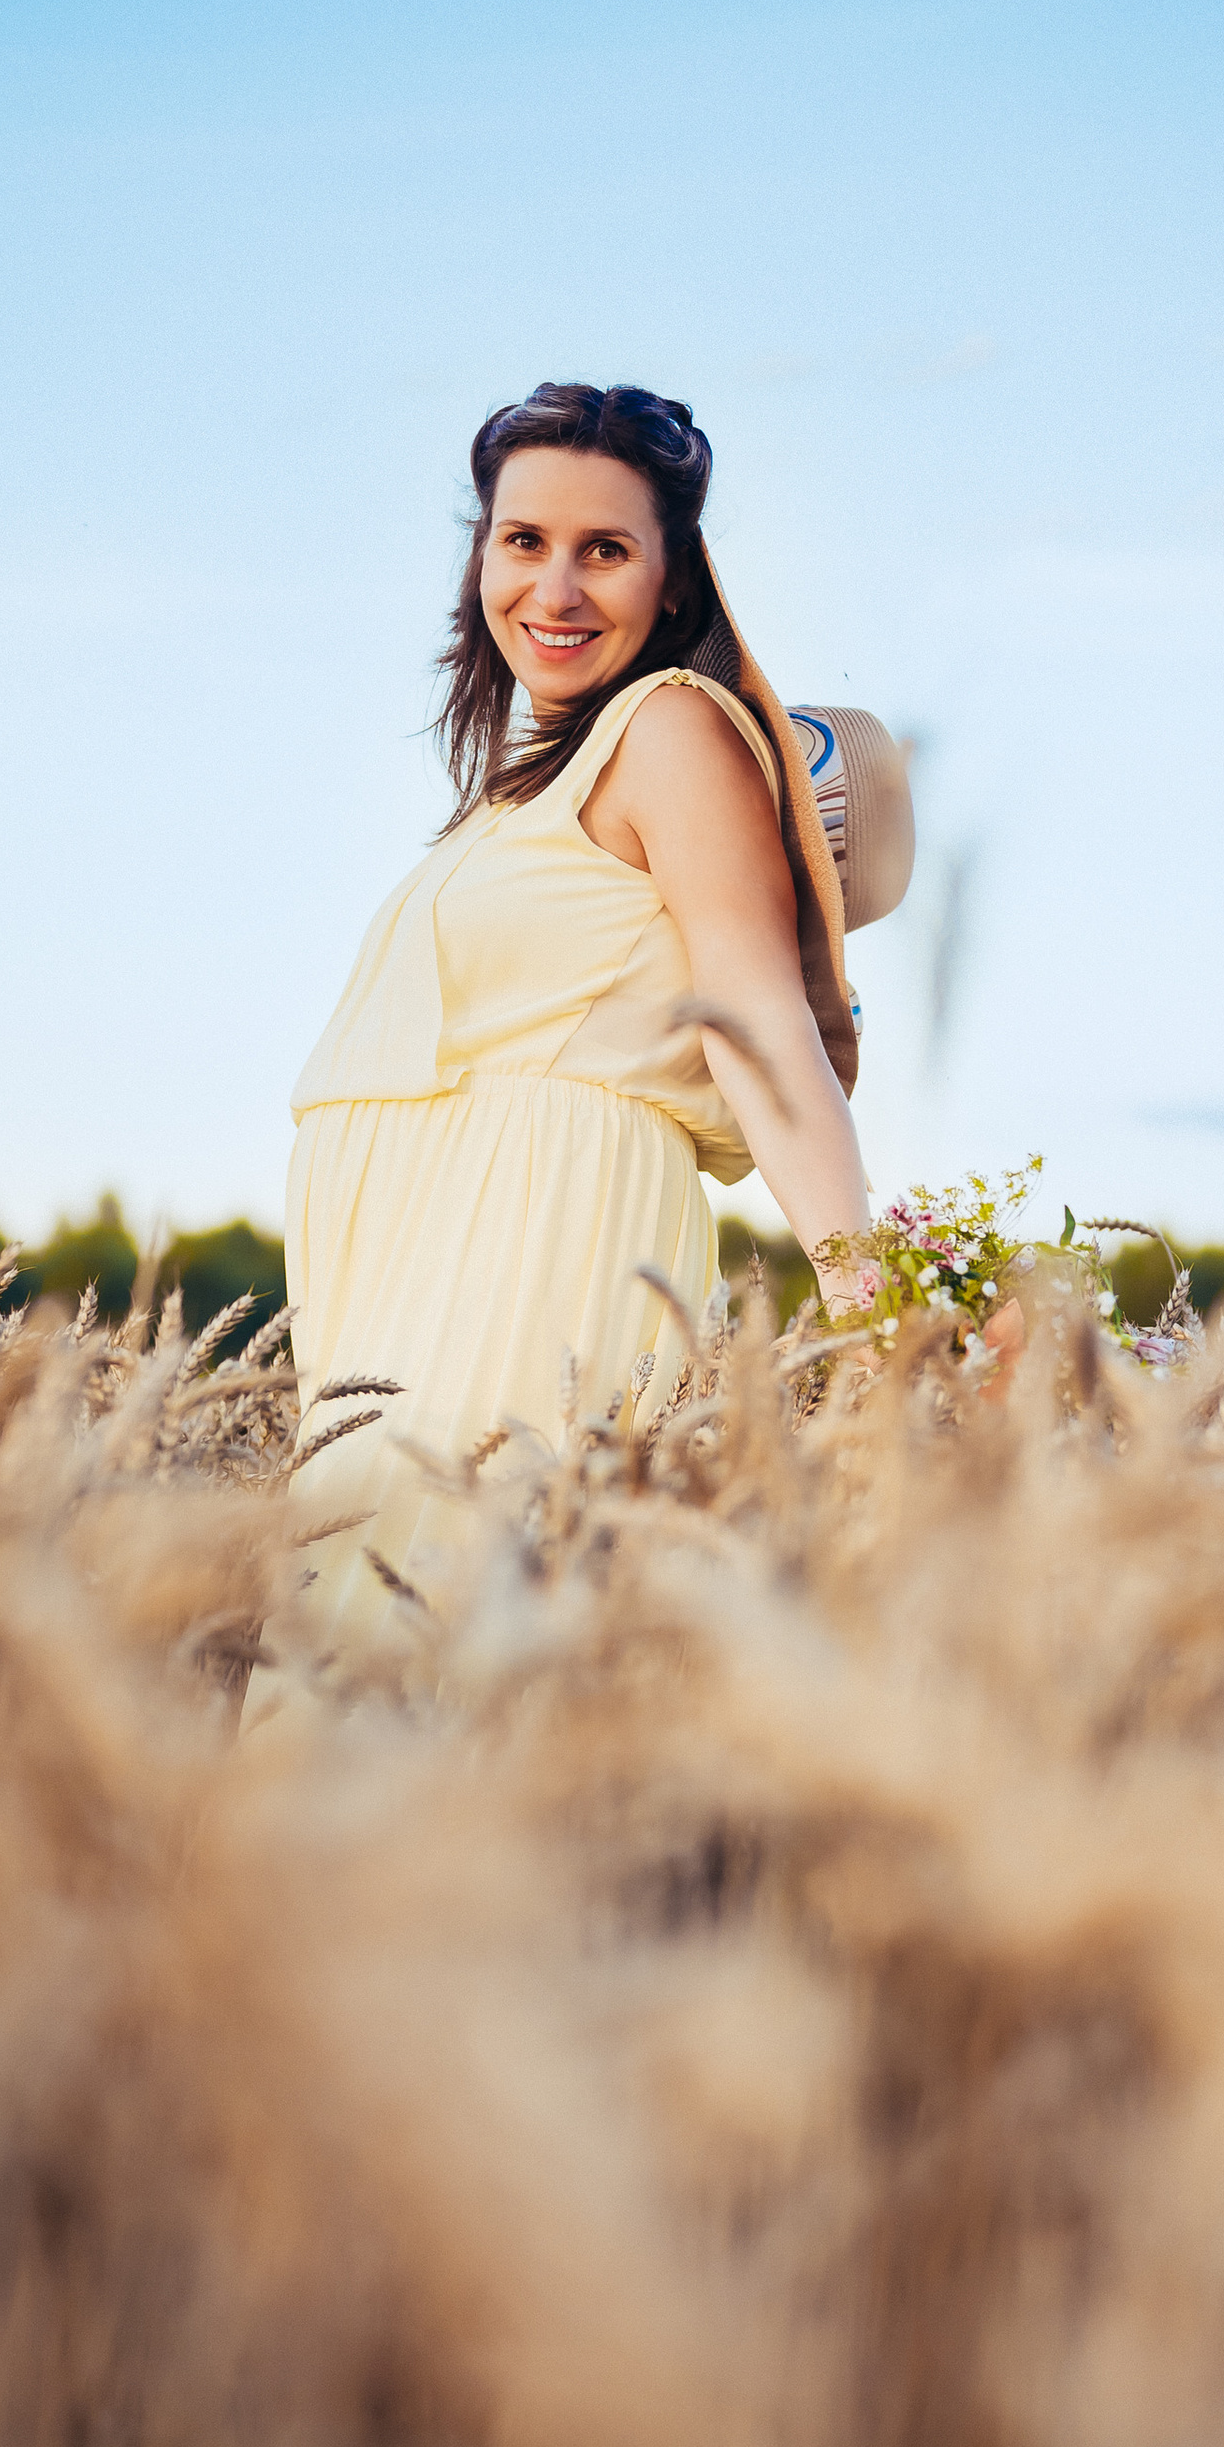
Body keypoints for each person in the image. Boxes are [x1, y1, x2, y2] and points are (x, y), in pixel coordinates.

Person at [274, 379, 874, 1680]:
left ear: (674, 579)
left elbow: (757, 1017)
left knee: (424, 1675)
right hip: (405, 1289)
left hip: (537, 1247)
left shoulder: (667, 730)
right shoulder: (518, 790)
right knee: (363, 1690)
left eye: (603, 549)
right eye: (523, 540)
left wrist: (868, 1300)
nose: (553, 588)